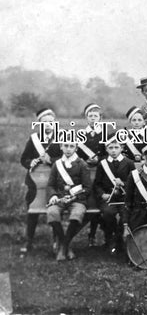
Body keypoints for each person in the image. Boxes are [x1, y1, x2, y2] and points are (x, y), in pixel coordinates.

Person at [20, 108, 62, 254]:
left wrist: (51, 160)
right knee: (32, 211)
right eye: (44, 123)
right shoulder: (34, 139)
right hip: (34, 183)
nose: (48, 125)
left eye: (51, 122)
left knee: (54, 210)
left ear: (55, 123)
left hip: (54, 181)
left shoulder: (60, 139)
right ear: (39, 124)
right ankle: (29, 241)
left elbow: (66, 158)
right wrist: (30, 162)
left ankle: (56, 240)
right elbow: (23, 159)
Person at [46, 142, 92, 261]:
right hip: (60, 198)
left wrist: (74, 196)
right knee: (52, 213)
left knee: (77, 214)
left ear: (76, 148)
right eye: (65, 146)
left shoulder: (82, 164)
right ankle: (66, 245)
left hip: (77, 199)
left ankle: (63, 247)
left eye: (72, 146)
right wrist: (53, 195)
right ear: (61, 147)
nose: (68, 149)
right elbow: (50, 185)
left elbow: (87, 187)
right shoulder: (57, 164)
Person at [93, 136, 136, 254]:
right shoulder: (102, 164)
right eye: (110, 147)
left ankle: (118, 240)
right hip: (109, 198)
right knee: (108, 214)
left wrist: (123, 183)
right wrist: (102, 194)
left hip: (124, 198)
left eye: (116, 147)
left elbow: (134, 182)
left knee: (125, 215)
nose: (113, 150)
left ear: (121, 148)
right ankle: (110, 238)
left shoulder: (129, 163)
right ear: (106, 149)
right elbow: (97, 184)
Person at [77, 103, 107, 247]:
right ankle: (91, 234)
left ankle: (93, 234)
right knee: (89, 203)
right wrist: (85, 160)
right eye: (90, 116)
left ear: (100, 118)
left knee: (98, 203)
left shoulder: (105, 135)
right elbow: (76, 155)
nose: (93, 118)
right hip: (86, 174)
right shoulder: (81, 135)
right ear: (86, 118)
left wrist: (98, 160)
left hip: (100, 174)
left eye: (96, 116)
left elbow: (109, 154)